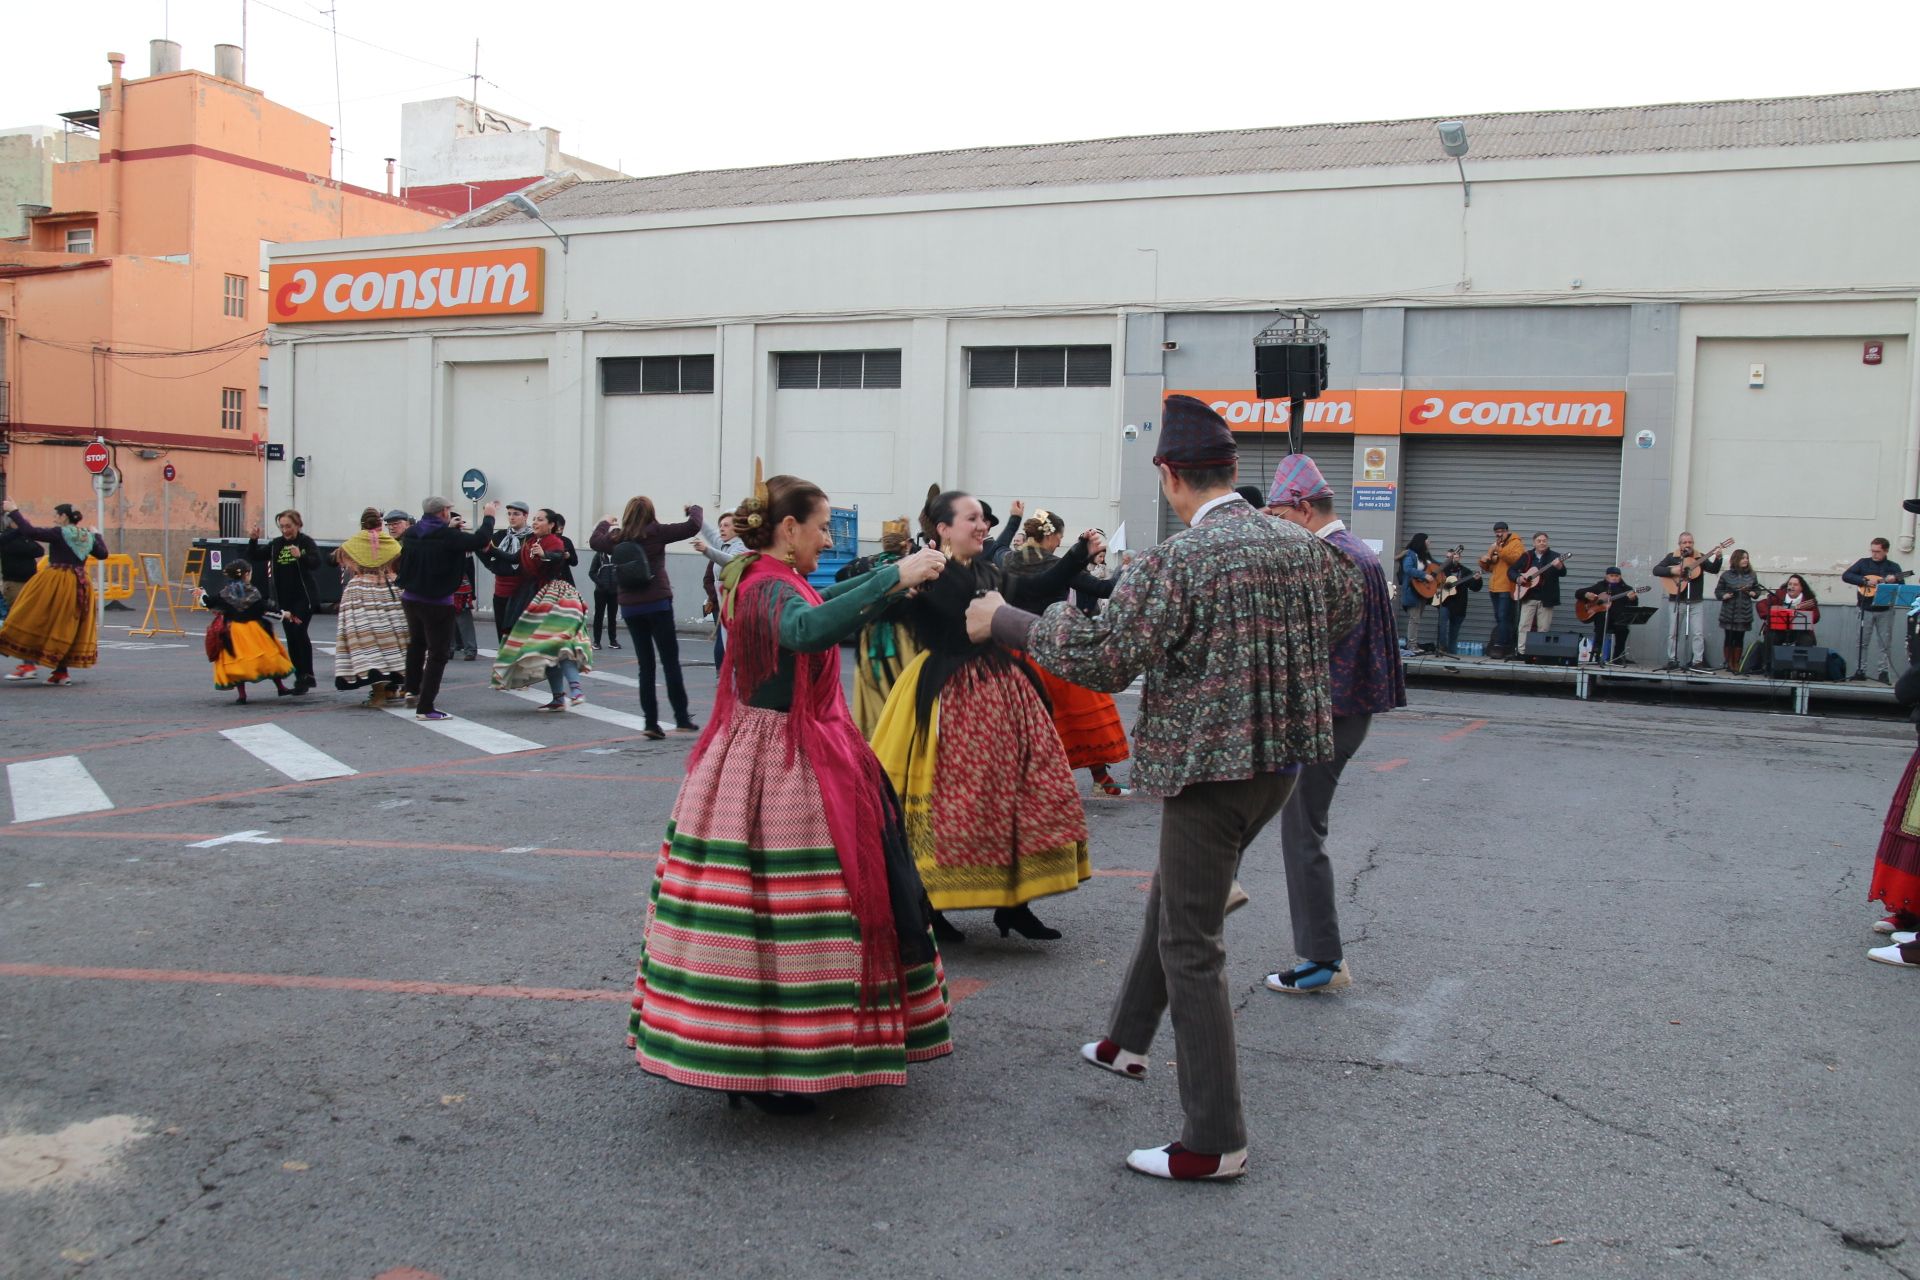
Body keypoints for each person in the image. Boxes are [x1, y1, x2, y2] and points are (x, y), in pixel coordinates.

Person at [967, 395, 1362, 1182]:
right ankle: (1125, 1040)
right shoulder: (1306, 547)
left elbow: (1108, 657)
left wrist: (1003, 619)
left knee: (1192, 943)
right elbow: (1343, 616)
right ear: (1232, 471)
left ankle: (1214, 1139)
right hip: (1279, 768)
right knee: (1181, 899)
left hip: (1209, 772)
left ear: (1169, 476)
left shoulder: (1179, 558)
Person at [627, 473, 955, 1110]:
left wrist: (893, 573)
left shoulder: (763, 575)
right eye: (822, 525)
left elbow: (825, 599)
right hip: (778, 760)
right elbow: (806, 629)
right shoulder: (762, 584)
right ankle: (767, 1065)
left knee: (777, 914)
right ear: (788, 529)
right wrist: (895, 577)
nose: (827, 537)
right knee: (788, 913)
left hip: (780, 750)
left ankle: (772, 1054)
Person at [867, 490, 1093, 944]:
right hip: (945, 696)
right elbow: (913, 608)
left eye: (983, 520)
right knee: (949, 800)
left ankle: (1014, 904)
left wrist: (1077, 556)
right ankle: (929, 903)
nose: (982, 526)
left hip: (1001, 691)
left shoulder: (989, 569)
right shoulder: (927, 571)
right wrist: (902, 584)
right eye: (971, 519)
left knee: (1016, 794)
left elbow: (1031, 589)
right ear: (943, 528)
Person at [1263, 453, 1404, 995]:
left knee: (1303, 833)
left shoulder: (1331, 558)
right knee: (1301, 828)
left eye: (1277, 514)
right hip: (1342, 712)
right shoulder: (1353, 552)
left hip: (1328, 715)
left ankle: (1323, 959)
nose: (1273, 525)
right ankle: (1322, 955)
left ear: (1301, 509)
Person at [1003, 507, 1131, 798]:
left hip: (1009, 649)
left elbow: (997, 547)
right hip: (1051, 648)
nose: (1058, 544)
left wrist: (1012, 520)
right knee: (1078, 714)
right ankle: (1101, 778)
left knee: (1018, 719)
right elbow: (1103, 588)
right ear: (1051, 538)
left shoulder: (1007, 561)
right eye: (1058, 538)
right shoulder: (1055, 565)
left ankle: (1021, 781)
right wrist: (1124, 571)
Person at [590, 497, 703, 738]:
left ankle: (651, 723)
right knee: (670, 661)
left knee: (646, 665)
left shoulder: (617, 537)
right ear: (651, 512)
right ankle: (682, 718)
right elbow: (693, 526)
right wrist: (693, 508)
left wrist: (604, 523)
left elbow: (594, 542)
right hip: (658, 603)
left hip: (631, 607)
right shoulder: (658, 532)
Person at [395, 498, 499, 722]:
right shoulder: (448, 537)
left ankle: (411, 690)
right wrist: (489, 515)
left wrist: (449, 530)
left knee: (417, 644)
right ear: (443, 512)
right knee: (438, 653)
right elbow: (480, 539)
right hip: (437, 601)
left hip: (411, 597)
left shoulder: (412, 533)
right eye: (449, 511)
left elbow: (433, 539)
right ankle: (426, 707)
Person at [491, 508, 594, 711]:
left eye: (540, 519)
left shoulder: (554, 541)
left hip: (551, 597)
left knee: (558, 646)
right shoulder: (529, 542)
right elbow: (513, 559)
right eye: (535, 519)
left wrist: (544, 555)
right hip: (529, 597)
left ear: (551, 524)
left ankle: (576, 690)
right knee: (544, 650)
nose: (536, 523)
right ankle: (558, 697)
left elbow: (557, 556)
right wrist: (487, 548)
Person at [0, 499, 108, 685]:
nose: (54, 519)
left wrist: (14, 511)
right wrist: (97, 535)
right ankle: (61, 672)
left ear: (64, 517)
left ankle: (28, 658)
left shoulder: (60, 533)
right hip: (80, 584)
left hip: (57, 582)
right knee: (66, 626)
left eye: (56, 515)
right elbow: (102, 554)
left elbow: (31, 532)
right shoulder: (85, 535)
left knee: (31, 615)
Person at [832, 518, 921, 738]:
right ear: (907, 543)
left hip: (870, 639)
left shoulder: (864, 565)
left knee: (874, 689)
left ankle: (876, 738)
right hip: (905, 639)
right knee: (903, 690)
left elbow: (841, 576)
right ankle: (900, 737)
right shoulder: (914, 566)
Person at [332, 507, 410, 706]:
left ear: (362, 524)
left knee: (366, 642)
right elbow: (403, 561)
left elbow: (332, 558)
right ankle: (394, 686)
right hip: (389, 591)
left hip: (360, 594)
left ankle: (379, 693)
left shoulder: (354, 542)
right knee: (393, 638)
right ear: (380, 524)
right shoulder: (389, 542)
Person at [248, 510, 322, 694]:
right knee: (291, 636)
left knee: (299, 630)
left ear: (297, 525)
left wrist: (301, 556)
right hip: (284, 599)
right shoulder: (277, 544)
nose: (285, 530)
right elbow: (255, 556)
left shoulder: (305, 542)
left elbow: (316, 563)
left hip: (304, 597)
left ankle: (308, 674)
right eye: (282, 526)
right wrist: (253, 540)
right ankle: (300, 677)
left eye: (288, 526)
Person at [202, 559, 294, 703]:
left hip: (233, 632)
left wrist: (202, 594)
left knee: (238, 662)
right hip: (255, 630)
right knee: (269, 658)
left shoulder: (225, 593)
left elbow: (209, 602)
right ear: (246, 574)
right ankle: (280, 687)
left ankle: (242, 695)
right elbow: (264, 608)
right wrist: (283, 614)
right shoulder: (252, 591)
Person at [1654, 532, 1723, 672]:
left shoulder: (1700, 557)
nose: (1687, 545)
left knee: (1698, 632)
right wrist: (1673, 570)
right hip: (1677, 600)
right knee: (1673, 632)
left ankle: (1697, 661)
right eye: (1684, 542)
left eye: (1690, 542)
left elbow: (1714, 569)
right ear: (1679, 545)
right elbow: (1657, 570)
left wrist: (1718, 557)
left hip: (1696, 601)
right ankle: (1672, 659)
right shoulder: (1672, 557)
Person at [1842, 537, 1905, 684]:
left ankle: (1883, 672)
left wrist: (1893, 580)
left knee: (1884, 642)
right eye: (1873, 551)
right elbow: (1846, 576)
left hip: (1885, 610)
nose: (1874, 554)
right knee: (1862, 641)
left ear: (1886, 551)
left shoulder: (1893, 567)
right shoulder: (1863, 563)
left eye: (1878, 551)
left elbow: (1901, 583)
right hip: (1865, 608)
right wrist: (1864, 581)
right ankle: (1860, 670)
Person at [694, 511, 746, 667]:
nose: (722, 529)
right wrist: (695, 515)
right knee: (726, 644)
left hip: (736, 604)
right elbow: (710, 533)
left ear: (737, 528)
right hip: (724, 603)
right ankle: (728, 679)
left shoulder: (741, 545)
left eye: (726, 525)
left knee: (735, 647)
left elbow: (732, 561)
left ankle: (735, 681)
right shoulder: (724, 544)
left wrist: (706, 550)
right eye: (720, 525)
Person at [483, 500, 533, 641]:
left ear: (525, 516)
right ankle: (504, 657)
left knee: (518, 631)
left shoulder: (531, 537)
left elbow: (516, 559)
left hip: (521, 590)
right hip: (500, 589)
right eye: (509, 514)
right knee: (502, 629)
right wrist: (492, 566)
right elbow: (483, 551)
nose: (511, 517)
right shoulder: (500, 536)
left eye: (516, 514)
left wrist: (493, 551)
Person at [1713, 549, 1765, 673]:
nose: (1745, 560)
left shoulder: (1752, 575)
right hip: (1729, 611)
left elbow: (1757, 590)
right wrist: (1724, 596)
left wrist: (1753, 593)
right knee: (1729, 637)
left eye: (1747, 558)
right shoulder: (1726, 575)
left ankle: (1736, 663)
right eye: (1743, 558)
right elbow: (1718, 591)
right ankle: (1728, 662)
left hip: (1744, 612)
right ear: (1736, 560)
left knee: (1739, 638)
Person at [1478, 522, 1525, 658]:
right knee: (1499, 617)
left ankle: (1503, 645)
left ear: (1507, 531)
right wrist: (1484, 561)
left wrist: (1499, 549)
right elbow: (1490, 568)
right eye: (1496, 532)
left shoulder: (1516, 543)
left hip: (1507, 586)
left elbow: (1516, 560)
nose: (1499, 534)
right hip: (1494, 587)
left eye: (1501, 531)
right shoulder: (1496, 545)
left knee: (1505, 617)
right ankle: (1504, 644)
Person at [1579, 568, 1641, 664]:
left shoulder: (1627, 589)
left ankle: (1618, 657)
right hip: (1602, 620)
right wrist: (1586, 594)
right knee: (1601, 623)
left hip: (1618, 619)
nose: (1614, 578)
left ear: (1620, 577)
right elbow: (1578, 592)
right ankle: (1597, 654)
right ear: (1606, 576)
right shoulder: (1599, 586)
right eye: (1611, 576)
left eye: (1617, 576)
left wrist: (1632, 599)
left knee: (1623, 629)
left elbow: (1634, 606)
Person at [1432, 547, 1481, 657]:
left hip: (1459, 606)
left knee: (1454, 635)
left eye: (1454, 557)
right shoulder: (1441, 570)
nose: (1451, 560)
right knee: (1442, 628)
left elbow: (1475, 587)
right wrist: (1438, 588)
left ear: (1459, 558)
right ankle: (1442, 649)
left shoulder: (1465, 572)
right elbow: (1431, 583)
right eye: (1448, 557)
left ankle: (1451, 660)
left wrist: (1477, 580)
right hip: (1444, 603)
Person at [447, 511, 481, 661]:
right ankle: (456, 648)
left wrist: (472, 589)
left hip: (459, 584)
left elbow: (469, 566)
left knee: (460, 617)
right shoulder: (444, 538)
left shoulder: (460, 540)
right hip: (453, 583)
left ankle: (467, 648)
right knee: (450, 617)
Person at [0, 513, 44, 624]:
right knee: (16, 615)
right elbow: (26, 549)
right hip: (15, 584)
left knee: (29, 614)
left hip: (30, 582)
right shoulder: (6, 538)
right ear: (11, 523)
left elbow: (40, 550)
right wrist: (27, 540)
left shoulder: (23, 536)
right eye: (20, 521)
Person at [1397, 532, 1434, 655]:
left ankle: (1414, 643)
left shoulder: (1424, 556)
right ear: (1422, 542)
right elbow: (1408, 569)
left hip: (1421, 592)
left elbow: (1434, 566)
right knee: (1414, 618)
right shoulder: (1410, 555)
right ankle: (1411, 645)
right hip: (1412, 591)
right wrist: (1424, 575)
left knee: (1417, 619)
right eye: (1428, 540)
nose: (1429, 542)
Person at [1762, 575, 1820, 647]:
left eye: (1795, 585)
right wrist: (1772, 613)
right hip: (1779, 630)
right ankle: (1770, 657)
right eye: (1790, 584)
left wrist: (1799, 612)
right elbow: (1761, 604)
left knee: (1806, 640)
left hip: (1800, 631)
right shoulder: (1779, 595)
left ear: (1801, 588)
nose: (1792, 586)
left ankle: (1800, 658)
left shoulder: (1808, 599)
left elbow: (1816, 616)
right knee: (1771, 637)